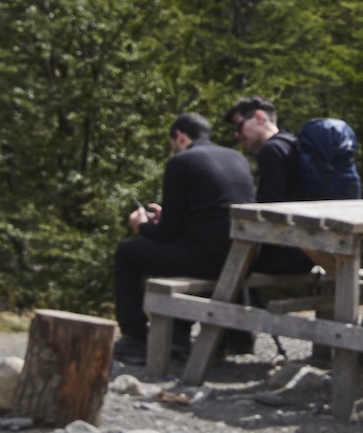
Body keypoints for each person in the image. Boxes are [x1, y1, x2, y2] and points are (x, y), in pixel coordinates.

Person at [109, 112, 256, 364]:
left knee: (128, 252)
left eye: (171, 145)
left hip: (208, 260)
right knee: (183, 250)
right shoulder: (236, 157)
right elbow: (211, 215)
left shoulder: (182, 162)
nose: (172, 150)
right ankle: (236, 335)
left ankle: (136, 339)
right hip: (245, 257)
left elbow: (167, 233)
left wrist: (142, 226)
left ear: (179, 136)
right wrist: (166, 217)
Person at [228, 96, 314, 277]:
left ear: (259, 117)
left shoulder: (272, 150)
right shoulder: (292, 143)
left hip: (287, 254)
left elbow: (269, 209)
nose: (237, 134)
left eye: (239, 125)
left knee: (222, 261)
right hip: (312, 250)